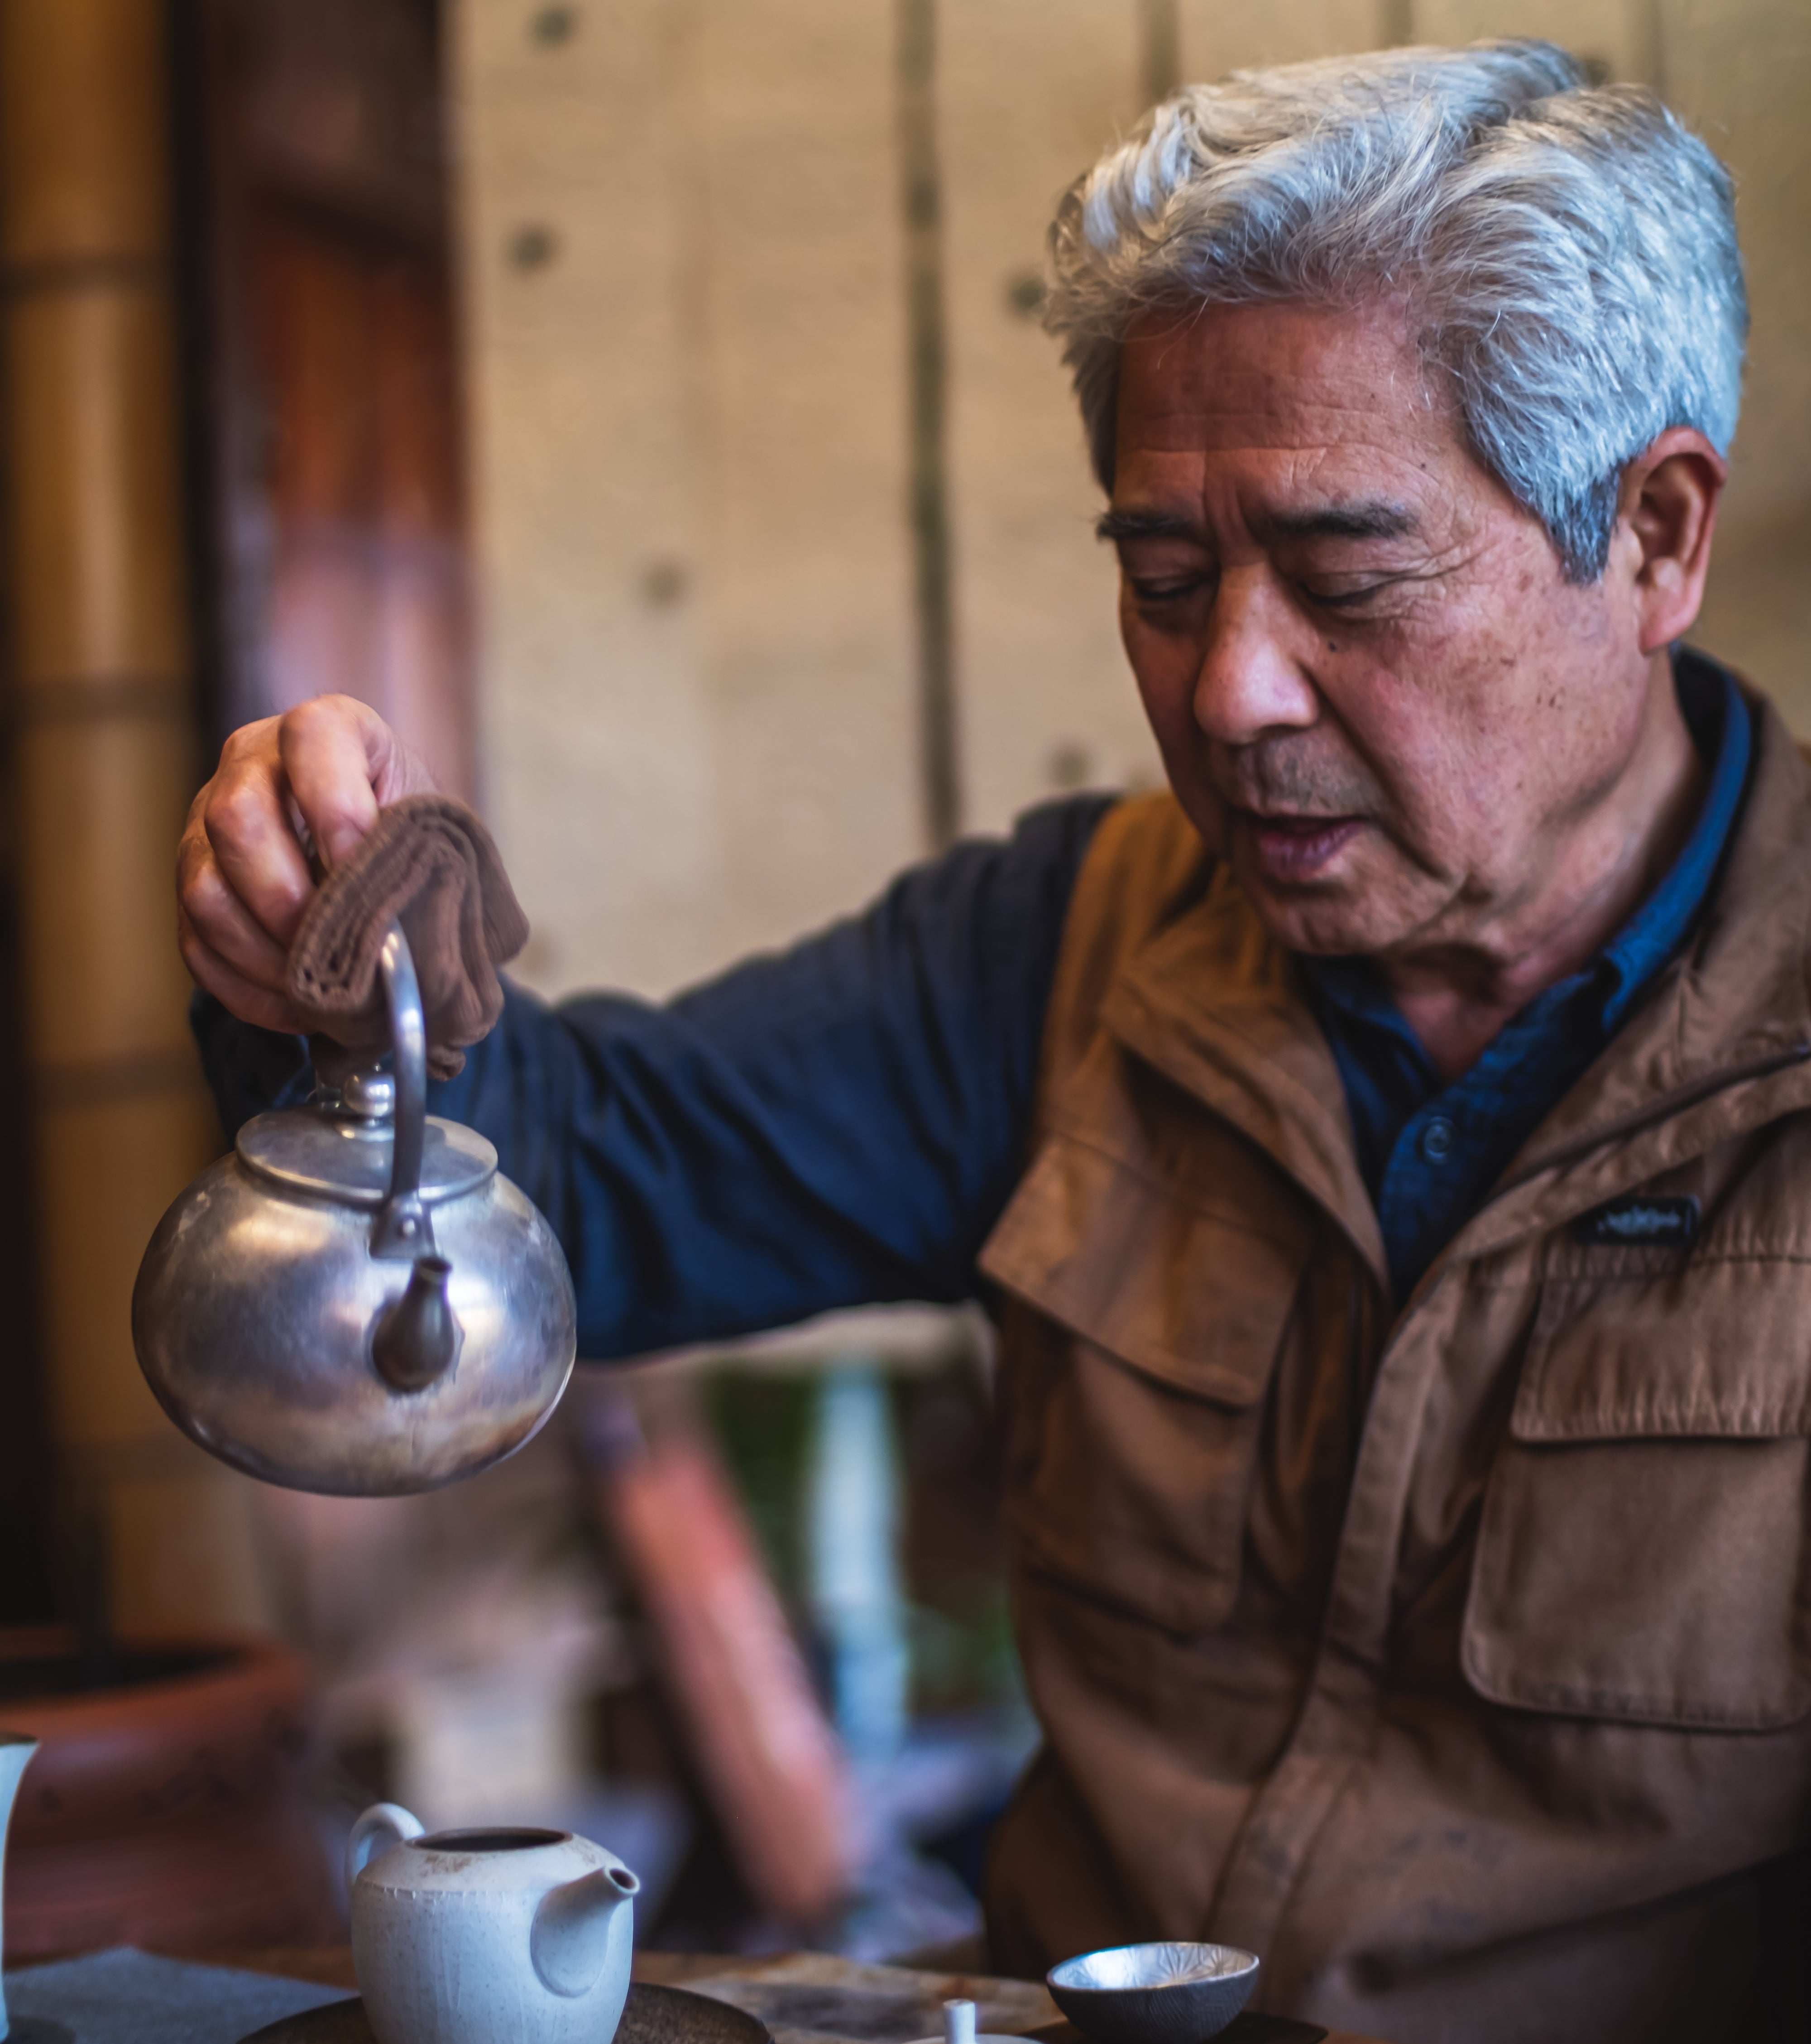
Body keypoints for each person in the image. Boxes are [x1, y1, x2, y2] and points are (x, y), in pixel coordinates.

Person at [177, 41, 1810, 2044]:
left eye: (1346, 573)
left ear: (1651, 534)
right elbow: (568, 1181)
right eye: (1162, 575)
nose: (1229, 693)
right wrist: (341, 1001)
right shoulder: (1062, 953)